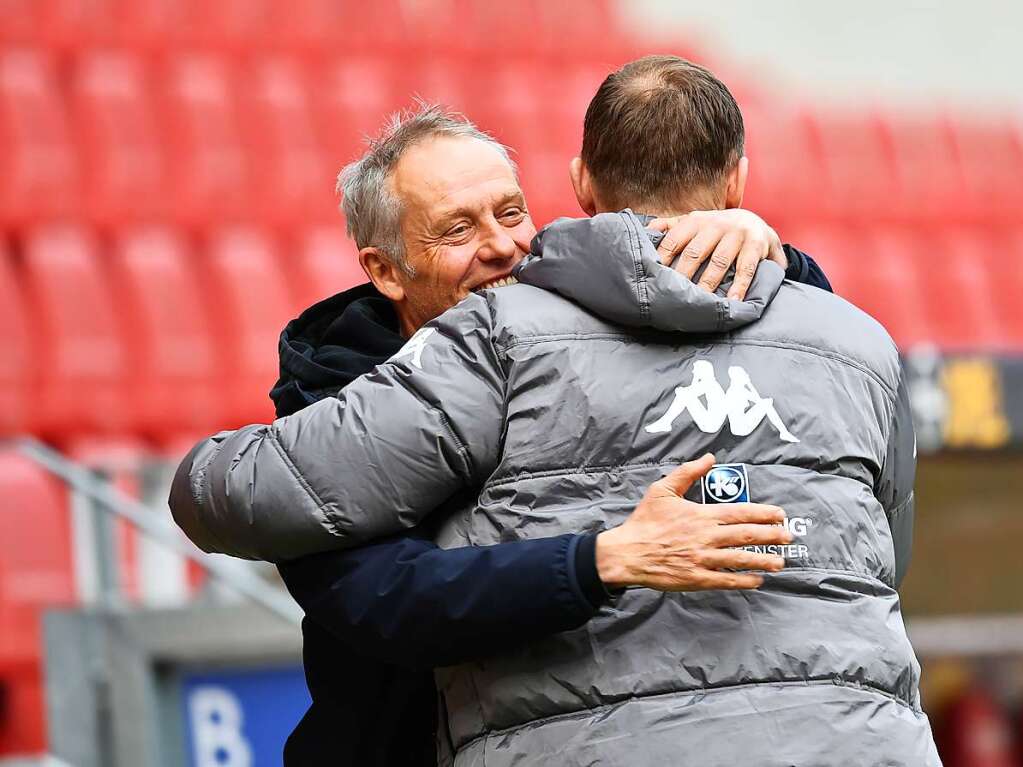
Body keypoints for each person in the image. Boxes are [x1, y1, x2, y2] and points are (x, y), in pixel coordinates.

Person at [169, 55, 941, 763]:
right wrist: (599, 559)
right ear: (385, 269)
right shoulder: (342, 393)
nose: (503, 247)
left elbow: (832, 465)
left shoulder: (550, 325)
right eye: (458, 229)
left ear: (572, 190)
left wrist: (769, 256)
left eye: (510, 212)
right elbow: (387, 601)